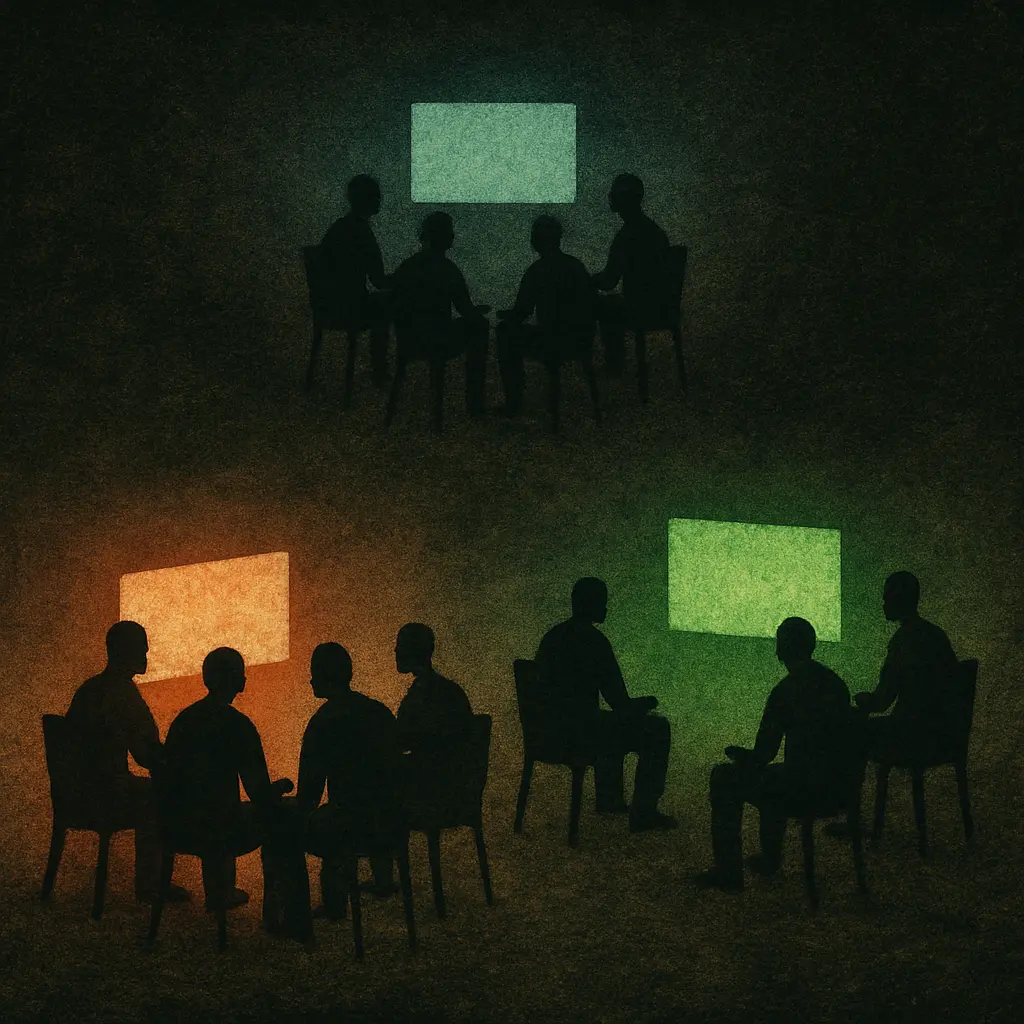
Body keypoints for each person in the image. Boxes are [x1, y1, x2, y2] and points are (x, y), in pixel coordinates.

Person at [693, 618, 855, 894]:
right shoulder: (836, 685)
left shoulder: (784, 692)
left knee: (726, 777)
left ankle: (728, 871)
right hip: (837, 790)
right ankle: (769, 858)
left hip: (802, 792)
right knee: (779, 775)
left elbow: (763, 755)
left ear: (782, 648)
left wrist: (739, 756)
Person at [162, 647, 311, 942]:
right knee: (278, 817)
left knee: (215, 808)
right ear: (238, 682)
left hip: (178, 827)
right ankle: (278, 915)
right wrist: (281, 789)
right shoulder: (239, 726)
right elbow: (259, 795)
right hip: (221, 830)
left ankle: (219, 892)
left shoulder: (183, 721)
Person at [535, 577, 677, 832]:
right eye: (603, 602)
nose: (606, 608)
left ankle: (610, 798)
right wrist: (645, 704)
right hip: (579, 736)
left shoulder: (552, 637)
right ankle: (643, 812)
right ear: (592, 605)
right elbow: (620, 703)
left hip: (547, 733)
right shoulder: (595, 642)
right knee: (656, 729)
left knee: (604, 721)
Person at [65, 621, 189, 904]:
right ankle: (151, 884)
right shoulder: (123, 694)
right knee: (157, 795)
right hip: (105, 795)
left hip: (75, 793)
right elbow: (147, 754)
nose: (146, 654)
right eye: (141, 648)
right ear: (125, 652)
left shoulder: (90, 689)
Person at [297, 643, 403, 916]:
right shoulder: (378, 711)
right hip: (391, 823)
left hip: (349, 827)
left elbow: (309, 794)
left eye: (313, 673)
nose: (310, 680)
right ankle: (383, 879)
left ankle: (332, 904)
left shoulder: (322, 723)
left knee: (318, 820)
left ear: (322, 677)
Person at [388, 212, 491, 416]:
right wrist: (478, 313)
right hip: (438, 341)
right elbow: (465, 310)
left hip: (410, 339)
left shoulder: (407, 266)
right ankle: (474, 403)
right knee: (480, 327)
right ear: (445, 237)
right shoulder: (448, 269)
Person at [495, 215, 598, 416]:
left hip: (550, 342)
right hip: (581, 340)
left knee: (505, 334)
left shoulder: (536, 271)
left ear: (535, 242)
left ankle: (514, 401)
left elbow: (521, 312)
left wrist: (505, 317)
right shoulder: (576, 266)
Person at [854, 571, 960, 762]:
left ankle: (851, 792)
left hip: (913, 735)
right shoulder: (936, 635)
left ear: (898, 600)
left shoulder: (902, 641)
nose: (884, 604)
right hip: (945, 736)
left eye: (887, 598)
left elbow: (883, 700)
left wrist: (862, 701)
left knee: (853, 733)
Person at [590, 173, 670, 376]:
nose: (610, 197)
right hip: (663, 308)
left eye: (614, 194)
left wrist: (586, 281)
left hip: (638, 309)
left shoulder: (626, 236)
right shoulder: (655, 231)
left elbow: (609, 281)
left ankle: (613, 363)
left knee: (598, 303)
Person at [320, 174, 395, 385]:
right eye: (376, 197)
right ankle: (380, 369)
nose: (380, 200)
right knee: (388, 302)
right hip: (350, 309)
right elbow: (379, 281)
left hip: (327, 307)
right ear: (367, 200)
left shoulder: (338, 227)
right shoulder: (363, 232)